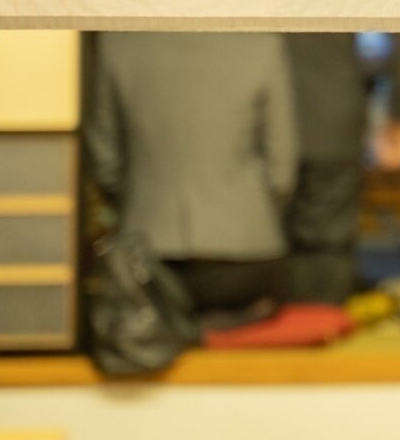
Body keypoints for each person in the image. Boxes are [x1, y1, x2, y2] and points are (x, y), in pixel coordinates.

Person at [85, 33, 300, 318]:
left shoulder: (117, 44)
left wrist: (133, 203)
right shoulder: (262, 44)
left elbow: (103, 159)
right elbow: (282, 170)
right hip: (248, 256)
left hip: (147, 256)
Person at [281, 33, 372, 306]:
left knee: (275, 242)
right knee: (331, 244)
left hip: (267, 109)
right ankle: (326, 323)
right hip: (333, 115)